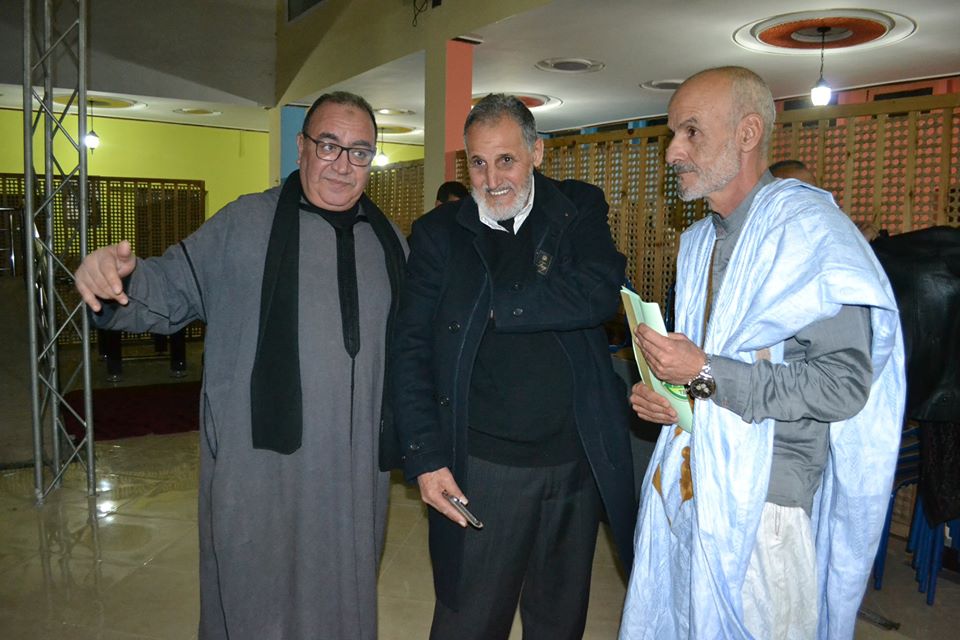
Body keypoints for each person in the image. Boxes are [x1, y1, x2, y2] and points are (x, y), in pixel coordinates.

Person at [73, 91, 407, 640]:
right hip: (258, 466)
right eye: (328, 145)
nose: (342, 164)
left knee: (341, 596)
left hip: (352, 475)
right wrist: (114, 279)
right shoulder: (243, 225)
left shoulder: (389, 242)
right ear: (301, 147)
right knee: (255, 594)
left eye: (359, 151)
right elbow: (167, 289)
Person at [618, 67, 906, 639]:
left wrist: (704, 371)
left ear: (747, 133)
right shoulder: (702, 240)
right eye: (673, 134)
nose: (672, 152)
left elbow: (845, 384)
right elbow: (715, 369)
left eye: (691, 132)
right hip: (692, 481)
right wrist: (670, 397)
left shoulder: (810, 233)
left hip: (767, 506)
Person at [392, 93, 637, 640]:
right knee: (468, 622)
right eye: (478, 163)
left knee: (559, 623)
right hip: (482, 467)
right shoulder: (438, 234)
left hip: (574, 464)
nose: (492, 179)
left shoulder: (576, 208)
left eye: (506, 160)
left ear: (536, 153)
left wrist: (498, 308)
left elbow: (599, 292)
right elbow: (410, 349)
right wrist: (426, 459)